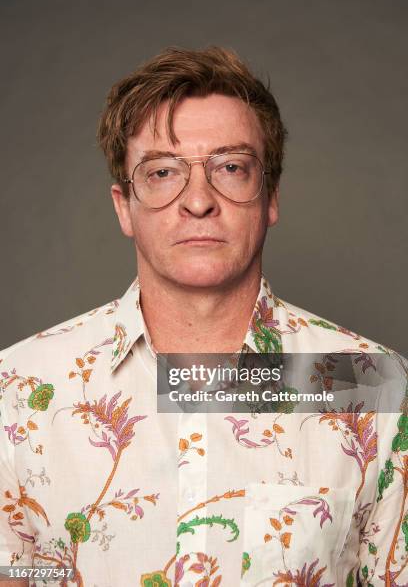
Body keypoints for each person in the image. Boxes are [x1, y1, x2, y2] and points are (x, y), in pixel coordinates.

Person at [0, 46, 406, 587]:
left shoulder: (373, 386)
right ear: (124, 205)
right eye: (163, 172)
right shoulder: (17, 391)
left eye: (231, 167)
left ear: (271, 196)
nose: (198, 201)